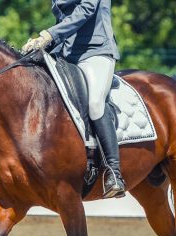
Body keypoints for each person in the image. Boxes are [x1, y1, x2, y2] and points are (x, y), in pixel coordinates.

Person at [22, 0, 125, 198]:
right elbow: (64, 19)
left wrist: (49, 34)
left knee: (95, 104)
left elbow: (87, 9)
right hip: (66, 54)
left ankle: (114, 171)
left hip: (96, 51)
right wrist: (41, 44)